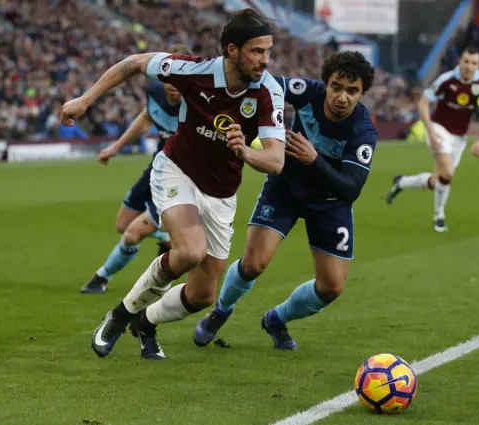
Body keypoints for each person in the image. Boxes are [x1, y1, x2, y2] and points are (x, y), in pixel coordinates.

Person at [61, 8, 286, 360]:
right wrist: (85, 100)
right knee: (190, 251)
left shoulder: (268, 92)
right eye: (257, 51)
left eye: (268, 51)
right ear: (232, 51)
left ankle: (145, 322)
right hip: (176, 169)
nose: (265, 60)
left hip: (222, 192)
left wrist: (244, 153)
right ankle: (119, 316)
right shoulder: (193, 70)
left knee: (202, 295)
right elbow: (135, 63)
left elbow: (275, 161)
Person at [193, 51, 377, 350]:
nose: (342, 97)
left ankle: (277, 319)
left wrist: (314, 159)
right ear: (326, 84)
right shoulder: (309, 93)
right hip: (285, 188)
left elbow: (351, 189)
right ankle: (220, 311)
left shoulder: (362, 131)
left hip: (330, 202)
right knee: (253, 263)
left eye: (352, 91)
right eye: (336, 87)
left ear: (362, 93)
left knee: (332, 287)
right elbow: (266, 84)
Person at [81, 45, 192, 294]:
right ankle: (165, 238)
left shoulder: (198, 106)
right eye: (169, 76)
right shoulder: (154, 92)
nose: (174, 83)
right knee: (123, 224)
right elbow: (145, 118)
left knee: (132, 234)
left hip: (179, 179)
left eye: (181, 77)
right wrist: (115, 147)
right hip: (156, 167)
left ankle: (101, 277)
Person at [386, 47, 479, 232]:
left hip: (459, 137)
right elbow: (423, 103)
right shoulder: (446, 80)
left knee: (438, 180)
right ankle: (439, 217)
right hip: (438, 130)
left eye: (474, 63)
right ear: (459, 62)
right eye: (466, 61)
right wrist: (430, 132)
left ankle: (402, 182)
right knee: (449, 171)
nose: (469, 66)